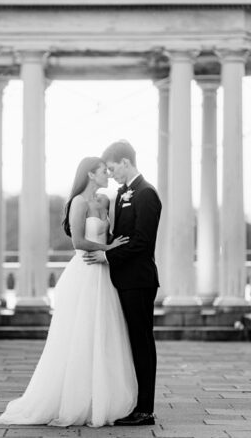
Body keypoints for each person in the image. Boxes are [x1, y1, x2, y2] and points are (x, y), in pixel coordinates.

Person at [0, 156, 137, 427]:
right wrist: (109, 249)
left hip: (105, 273)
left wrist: (113, 249)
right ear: (90, 175)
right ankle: (73, 399)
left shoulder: (104, 201)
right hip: (85, 270)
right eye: (103, 171)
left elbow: (114, 230)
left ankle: (103, 398)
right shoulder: (78, 203)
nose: (107, 174)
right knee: (79, 334)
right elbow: (78, 242)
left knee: (104, 333)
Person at [84, 140, 162, 426]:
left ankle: (146, 410)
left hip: (139, 280)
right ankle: (134, 404)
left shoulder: (147, 194)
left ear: (126, 162)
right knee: (131, 342)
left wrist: (108, 257)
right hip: (124, 279)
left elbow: (143, 242)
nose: (112, 173)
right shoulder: (120, 194)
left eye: (114, 167)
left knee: (142, 342)